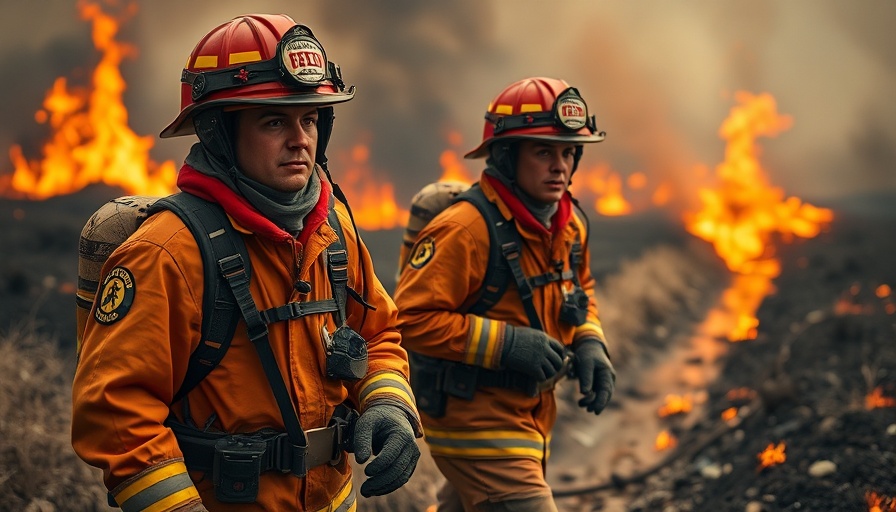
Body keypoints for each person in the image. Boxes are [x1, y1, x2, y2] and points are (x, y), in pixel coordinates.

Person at [71, 14, 422, 512]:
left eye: (310, 119)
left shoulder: (332, 228)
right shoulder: (169, 253)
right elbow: (115, 412)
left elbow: (378, 333)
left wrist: (387, 404)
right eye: (274, 121)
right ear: (219, 131)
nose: (301, 139)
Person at [394, 77, 616, 511]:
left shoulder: (569, 226)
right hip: (474, 424)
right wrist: (508, 344)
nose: (560, 167)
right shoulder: (466, 230)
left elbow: (580, 288)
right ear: (505, 155)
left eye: (569, 152)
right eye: (543, 152)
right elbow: (409, 318)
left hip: (529, 417)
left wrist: (590, 341)